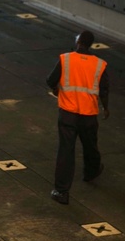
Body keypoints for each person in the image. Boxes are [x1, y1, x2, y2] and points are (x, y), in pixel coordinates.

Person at [46, 30, 110, 205]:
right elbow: (103, 89)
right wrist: (105, 108)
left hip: (68, 113)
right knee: (90, 145)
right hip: (89, 114)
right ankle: (91, 171)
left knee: (66, 151)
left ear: (79, 41)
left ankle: (61, 192)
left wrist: (56, 89)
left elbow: (50, 80)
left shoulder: (66, 59)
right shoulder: (100, 64)